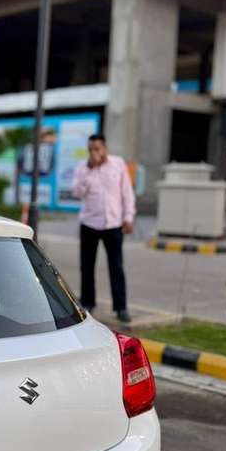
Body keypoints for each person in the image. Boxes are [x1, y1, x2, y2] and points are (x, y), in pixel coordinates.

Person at [72, 133, 136, 324]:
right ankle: (88, 303)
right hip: (89, 223)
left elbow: (127, 192)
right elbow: (77, 193)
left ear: (105, 148)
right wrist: (90, 171)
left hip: (113, 224)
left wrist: (128, 217)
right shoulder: (82, 168)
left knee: (116, 266)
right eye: (90, 149)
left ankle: (121, 307)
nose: (94, 152)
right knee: (87, 266)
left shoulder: (118, 164)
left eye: (97, 148)